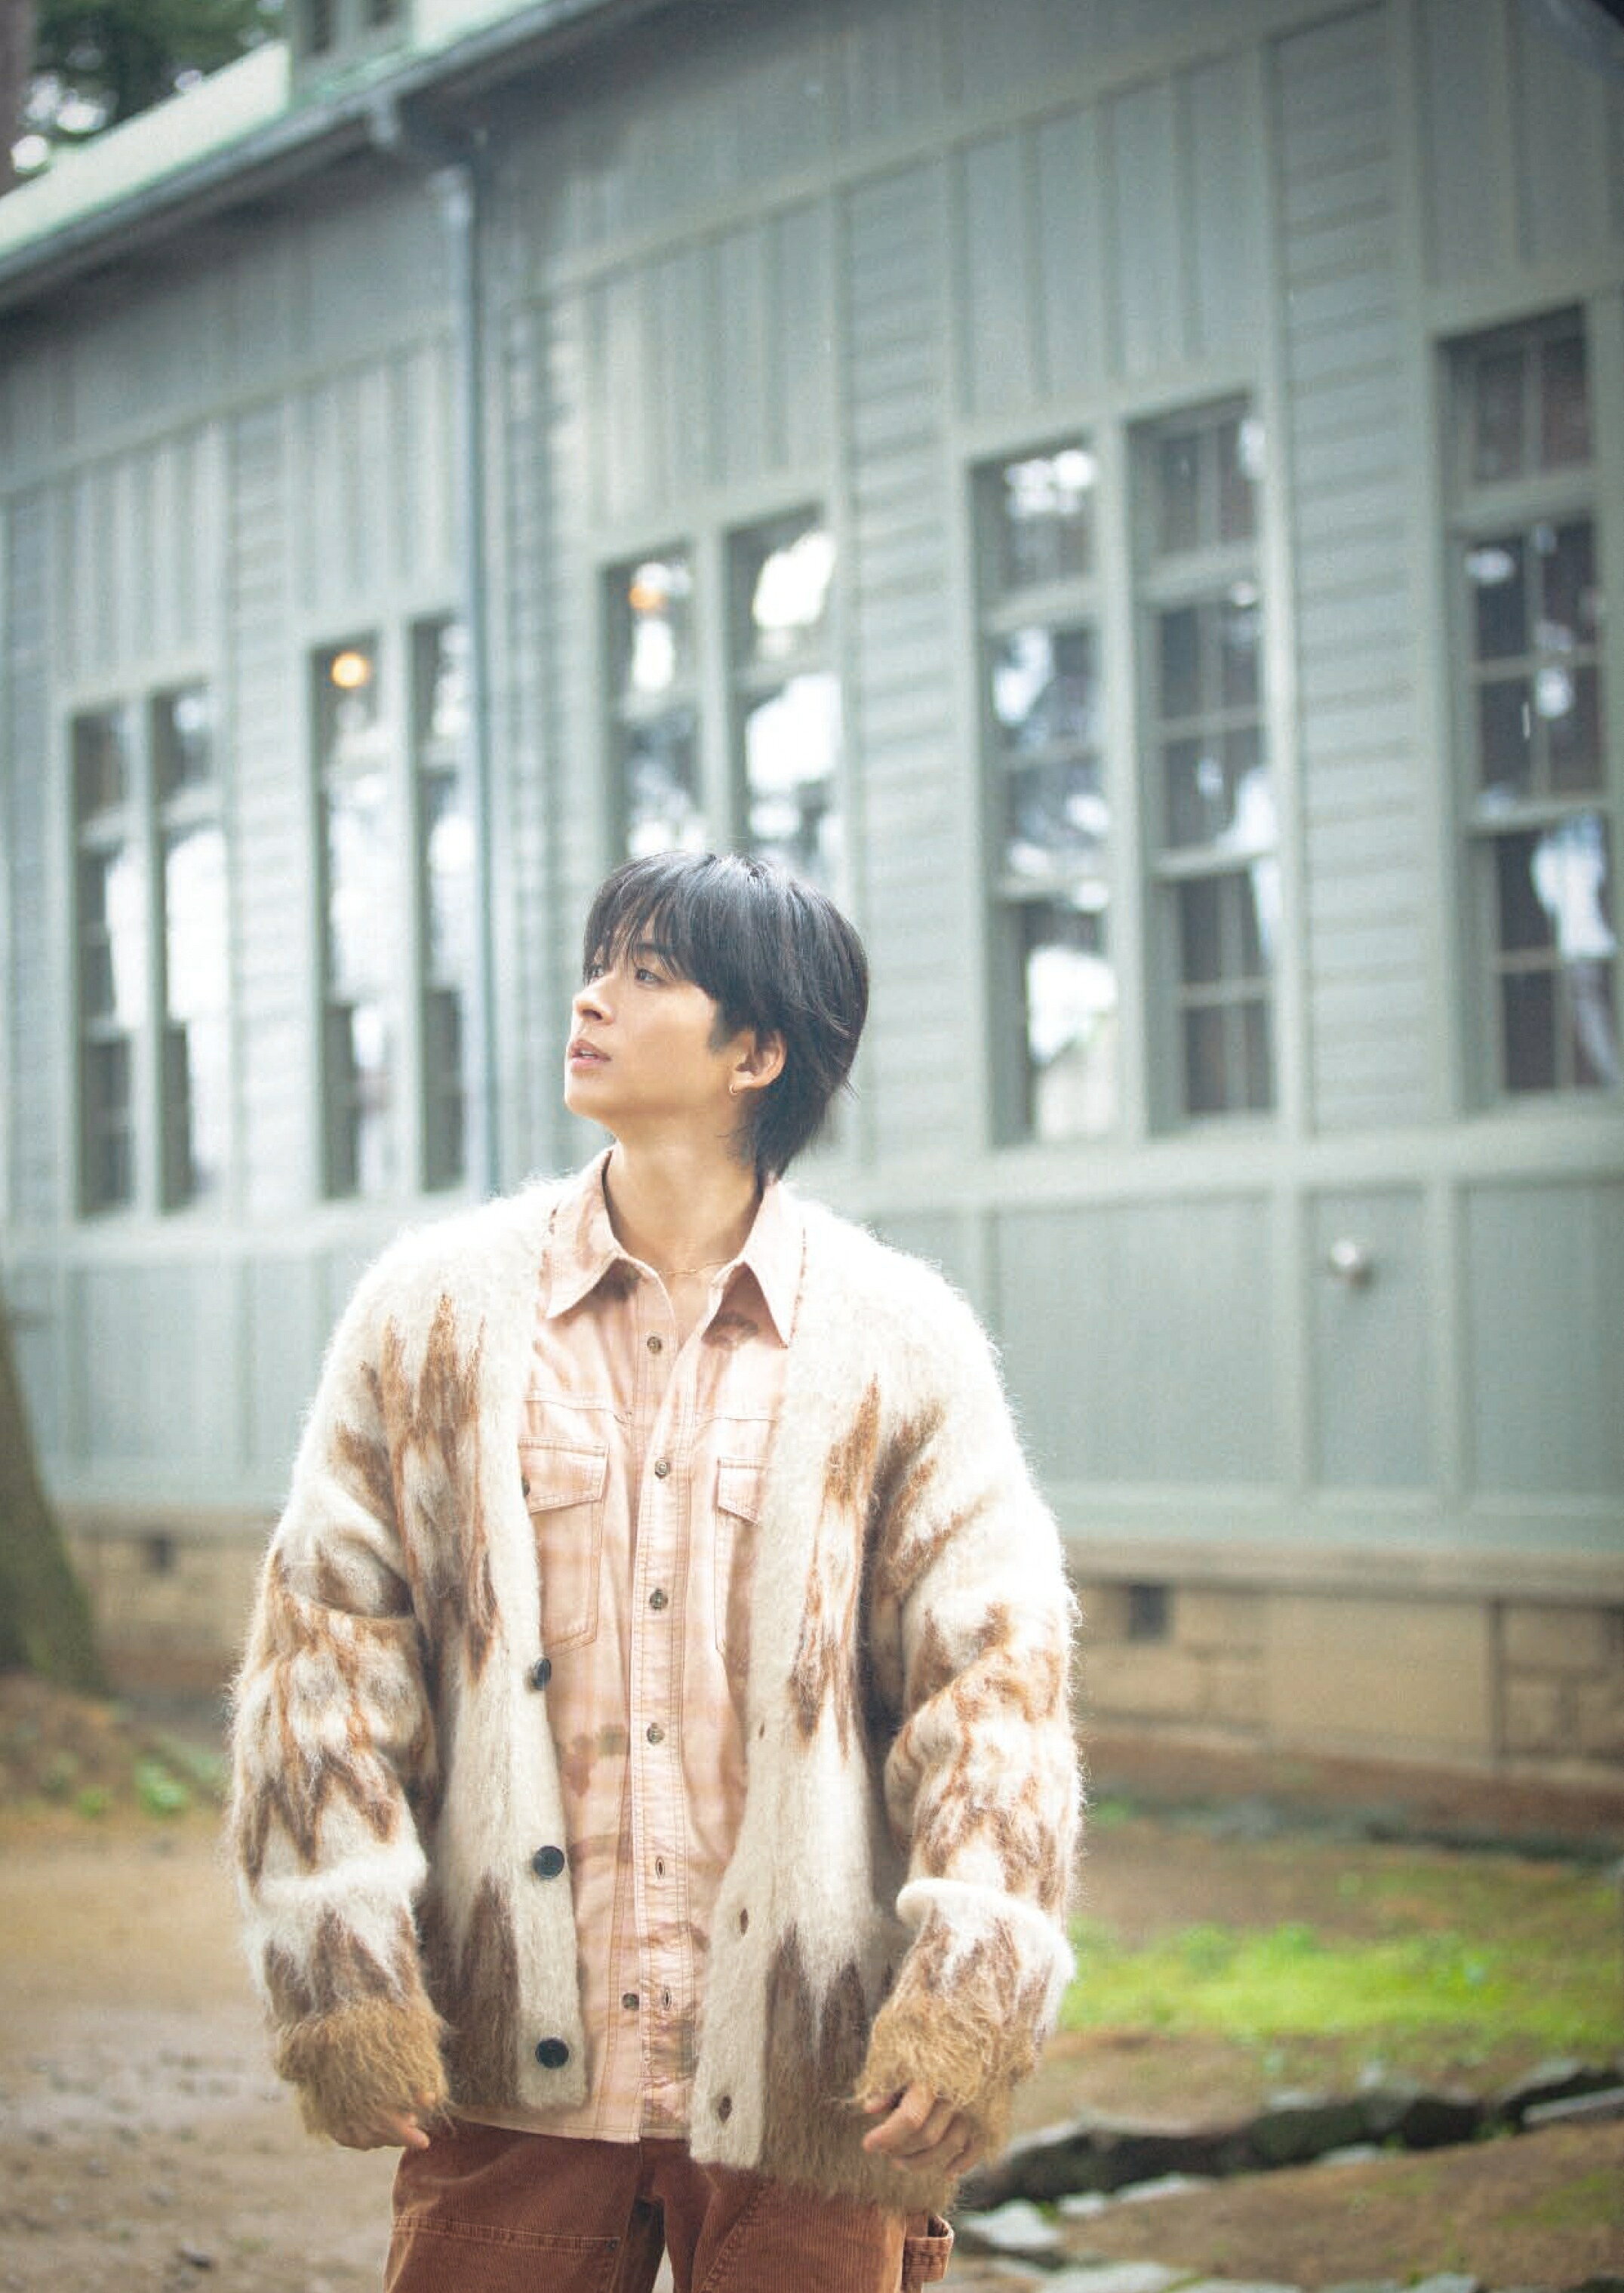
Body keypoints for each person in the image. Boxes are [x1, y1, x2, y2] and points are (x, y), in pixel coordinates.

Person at [229, 850, 1081, 2293]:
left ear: (759, 1052)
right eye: (596, 964)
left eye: (646, 974)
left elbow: (995, 1691)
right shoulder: (431, 1313)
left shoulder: (901, 1340)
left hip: (818, 2090)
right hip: (510, 2084)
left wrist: (973, 1989)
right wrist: (342, 1969)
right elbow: (326, 1653)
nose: (591, 999)